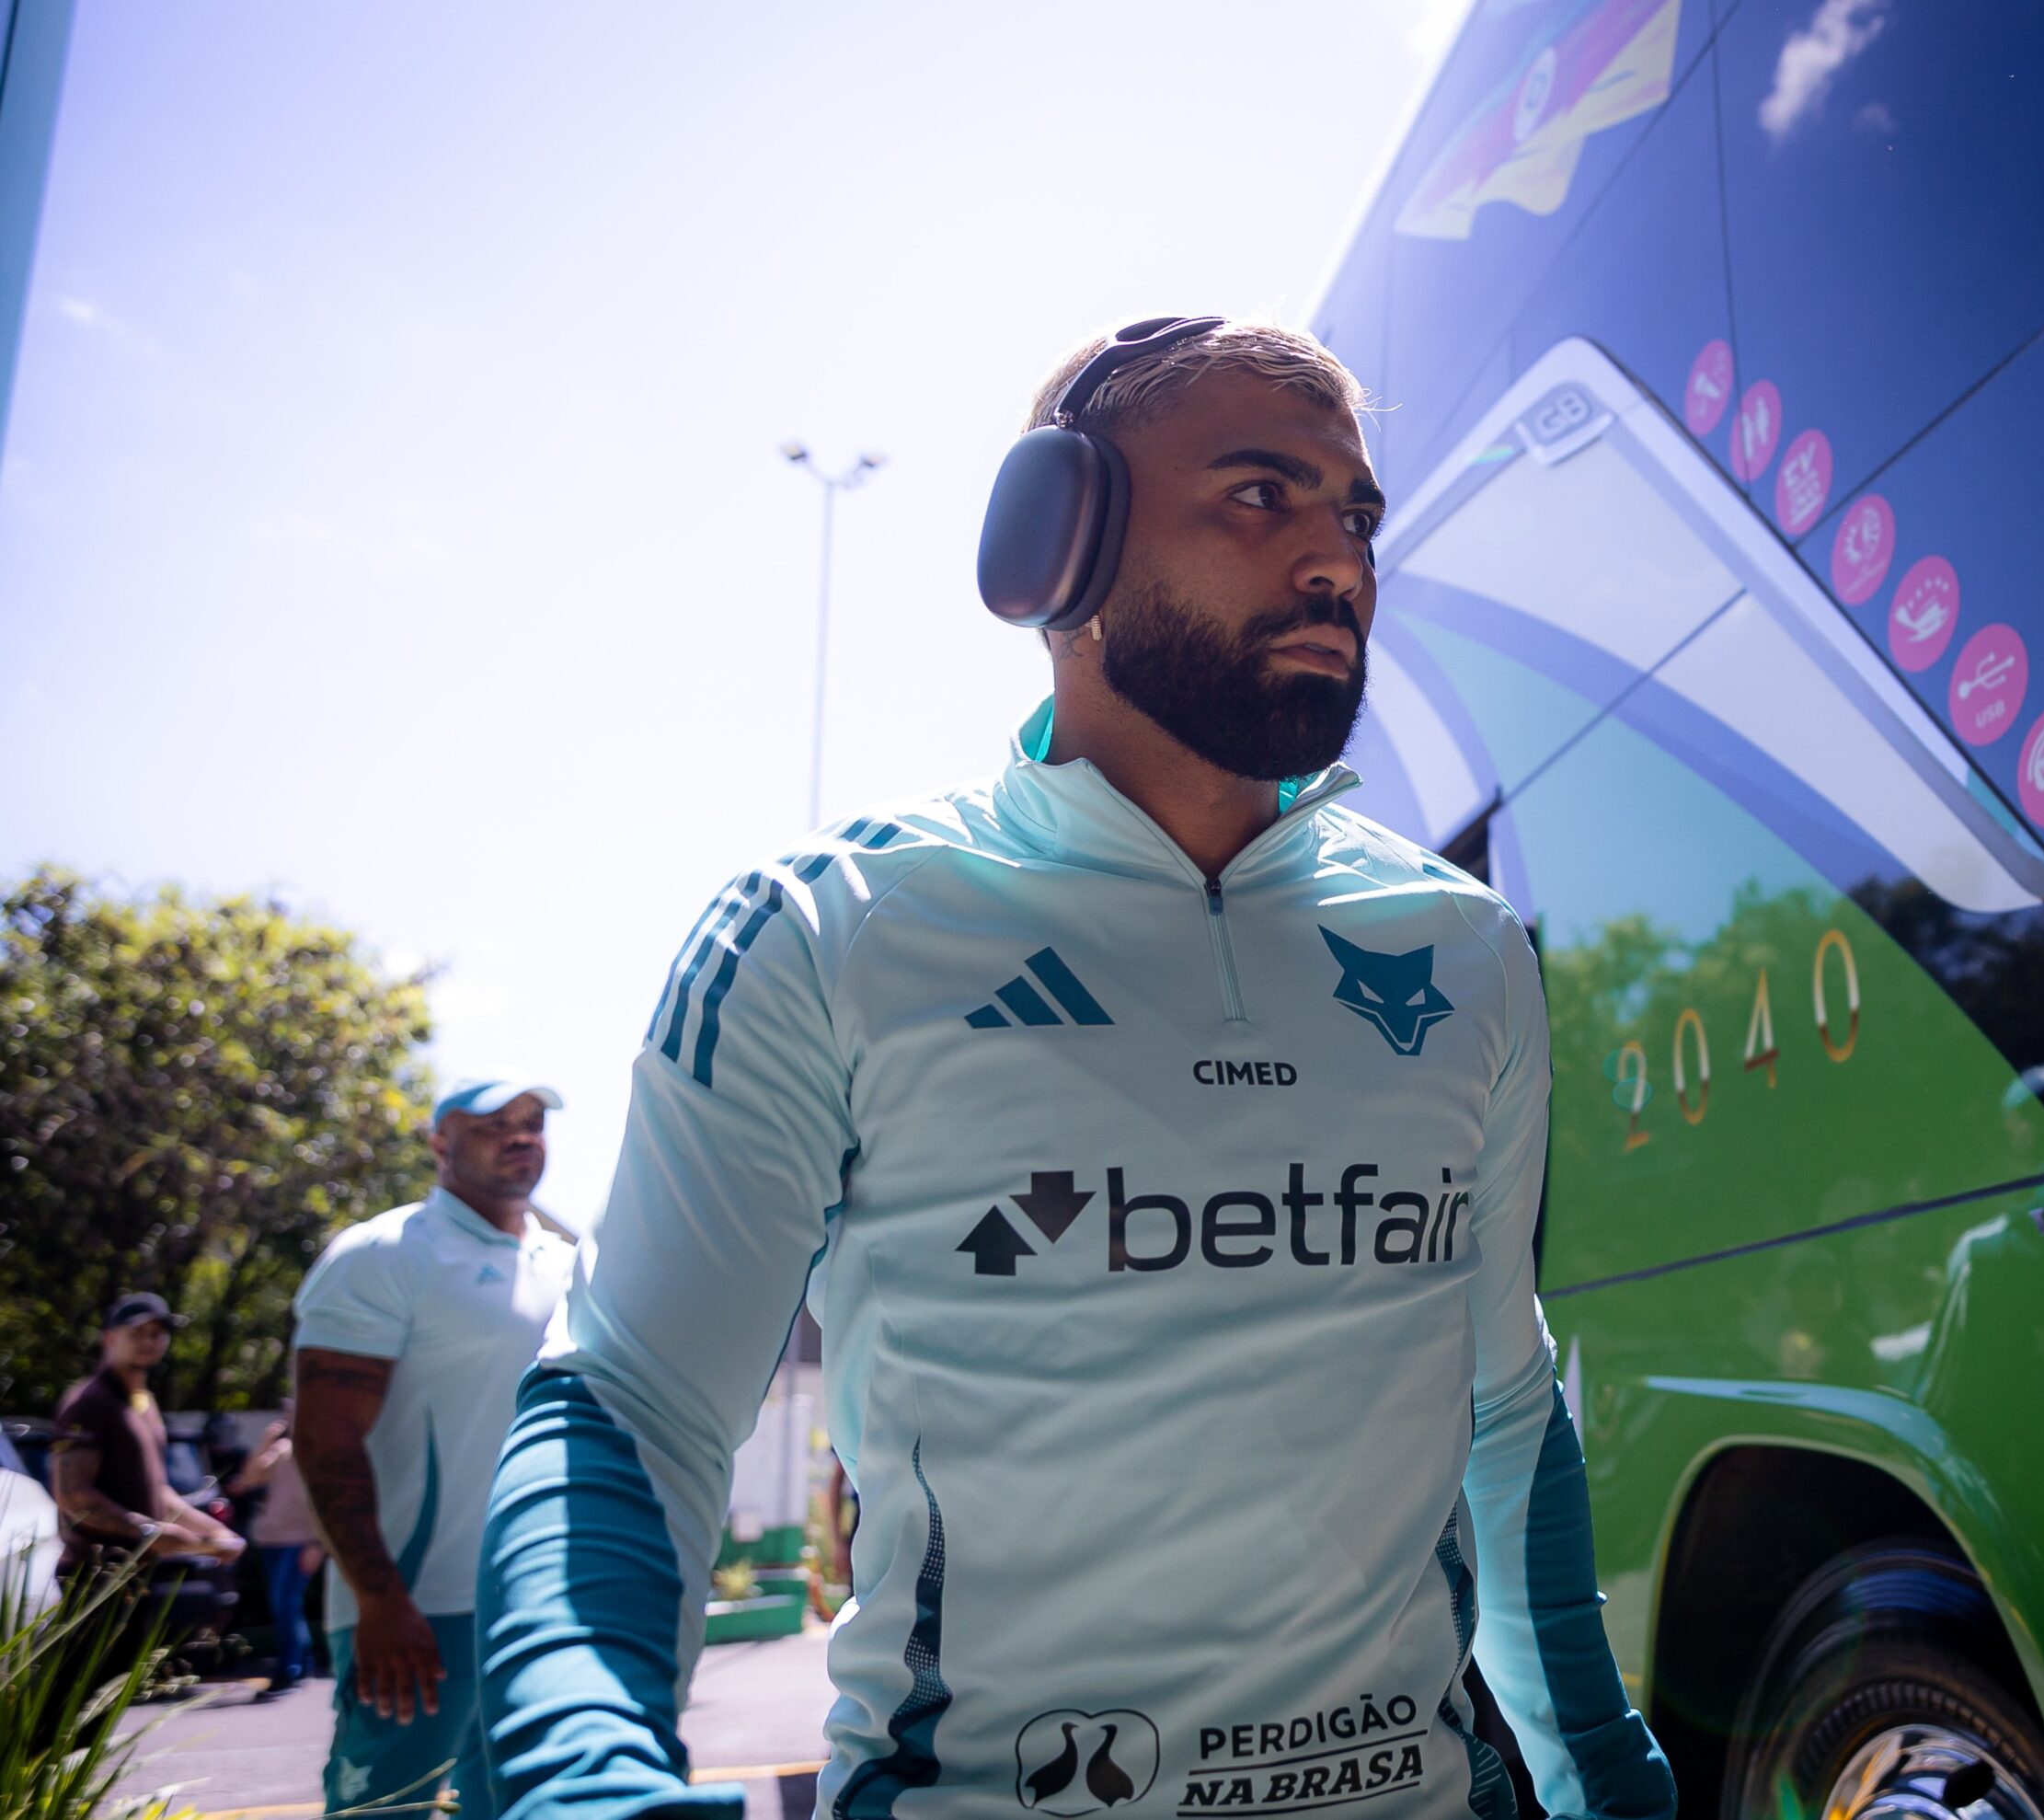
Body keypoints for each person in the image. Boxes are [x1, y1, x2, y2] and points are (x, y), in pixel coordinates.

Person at [478, 321, 1677, 1818]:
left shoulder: (1465, 942)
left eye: (1355, 513)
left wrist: (1608, 1777)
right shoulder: (825, 929)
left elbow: (1501, 1407)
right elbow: (630, 1404)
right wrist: (586, 1774)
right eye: (1261, 494)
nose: (1336, 560)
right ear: (1056, 547)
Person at [292, 1078, 569, 1818]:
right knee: (385, 1812)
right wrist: (380, 1599)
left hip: (538, 1608)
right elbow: (324, 1438)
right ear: (439, 1142)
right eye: (493, 1124)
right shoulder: (383, 1254)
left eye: (532, 1123)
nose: (520, 1137)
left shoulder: (571, 1266)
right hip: (416, 1609)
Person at [49, 1292, 246, 1685]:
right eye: (137, 1331)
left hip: (133, 1578)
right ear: (109, 1338)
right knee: (75, 1704)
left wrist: (212, 1531)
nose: (149, 1340)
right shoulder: (90, 1402)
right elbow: (72, 1496)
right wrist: (146, 1530)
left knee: (108, 1700)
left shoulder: (142, 1403)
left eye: (157, 1333)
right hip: (93, 1579)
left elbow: (159, 1492)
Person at [233, 1401, 324, 1694]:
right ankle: (302, 1662)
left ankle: (289, 1668)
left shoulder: (320, 1451)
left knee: (284, 1602)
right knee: (284, 1603)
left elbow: (325, 1502)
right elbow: (249, 1479)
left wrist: (317, 1543)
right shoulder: (282, 1450)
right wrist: (265, 1441)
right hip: (272, 1539)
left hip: (300, 1540)